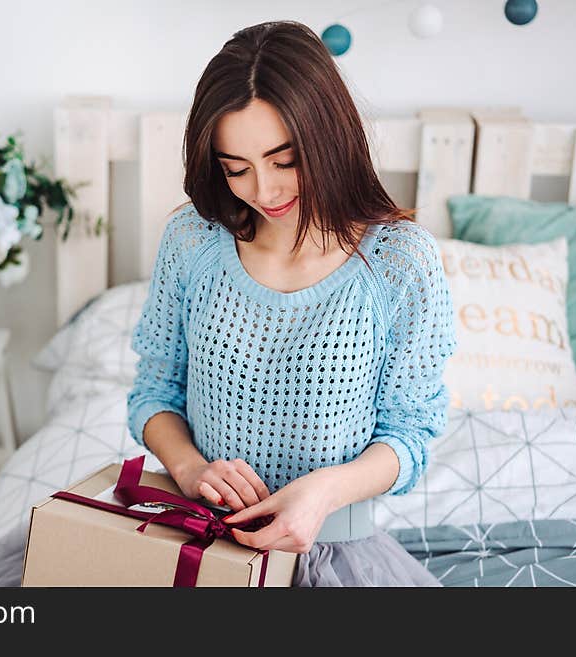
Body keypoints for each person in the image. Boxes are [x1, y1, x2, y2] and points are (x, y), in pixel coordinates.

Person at [126, 20, 456, 586]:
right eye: (237, 169)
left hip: (336, 556)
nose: (264, 190)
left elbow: (412, 431)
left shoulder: (401, 262)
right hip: (197, 541)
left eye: (284, 161)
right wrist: (189, 467)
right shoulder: (191, 240)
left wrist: (325, 492)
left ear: (329, 137)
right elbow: (154, 392)